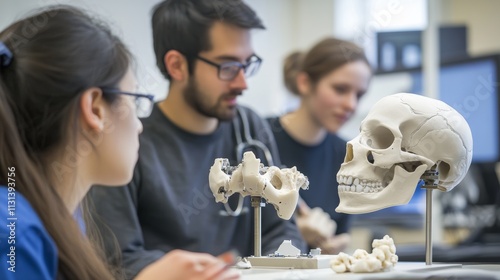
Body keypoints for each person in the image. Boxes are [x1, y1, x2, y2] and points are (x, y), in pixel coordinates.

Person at [0, 6, 239, 280]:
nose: (139, 125)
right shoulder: (14, 237)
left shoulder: (60, 218)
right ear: (96, 110)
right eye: (135, 101)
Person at [88, 0, 306, 279]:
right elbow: (117, 258)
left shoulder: (251, 128)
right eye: (228, 66)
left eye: (246, 64)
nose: (243, 83)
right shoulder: (128, 144)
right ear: (177, 66)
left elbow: (281, 228)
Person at [267, 38, 372, 254]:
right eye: (340, 89)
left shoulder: (349, 157)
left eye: (359, 95)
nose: (351, 105)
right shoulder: (259, 139)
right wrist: (293, 234)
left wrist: (334, 249)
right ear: (304, 83)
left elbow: (341, 235)